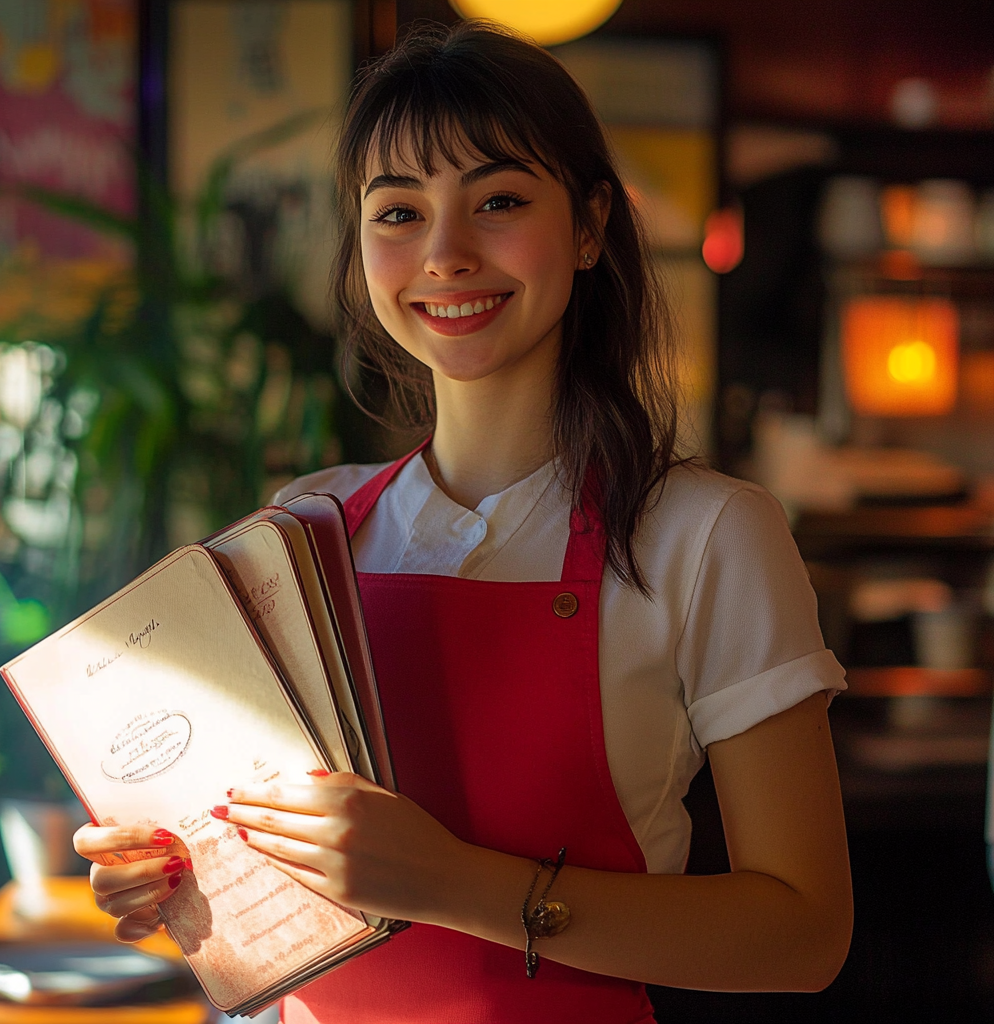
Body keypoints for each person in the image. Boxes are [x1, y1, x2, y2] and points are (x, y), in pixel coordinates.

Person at [74, 21, 853, 1023]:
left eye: (497, 201)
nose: (444, 254)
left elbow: (803, 934)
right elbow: (264, 891)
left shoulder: (708, 535)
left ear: (588, 226)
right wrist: (174, 878)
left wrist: (453, 882)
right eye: (398, 211)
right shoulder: (300, 527)